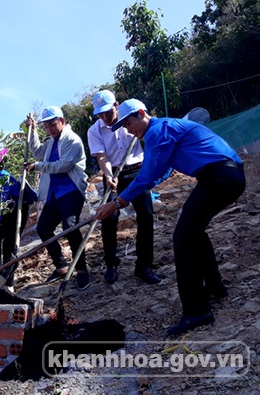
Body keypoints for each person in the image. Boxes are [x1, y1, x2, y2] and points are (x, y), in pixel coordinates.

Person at [95, 99, 246, 335]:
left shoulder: (157, 130)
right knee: (194, 232)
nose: (128, 129)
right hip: (226, 175)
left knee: (183, 238)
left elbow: (146, 176)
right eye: (123, 125)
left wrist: (116, 203)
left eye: (129, 122)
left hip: (219, 176)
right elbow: (162, 171)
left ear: (142, 113)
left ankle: (197, 311)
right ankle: (215, 288)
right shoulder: (163, 129)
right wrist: (123, 198)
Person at [87, 90, 161, 285]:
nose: (105, 117)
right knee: (109, 217)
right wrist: (109, 176)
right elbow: (101, 156)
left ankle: (144, 265)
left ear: (117, 106)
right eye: (100, 114)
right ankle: (111, 264)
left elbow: (148, 135)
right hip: (113, 176)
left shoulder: (131, 120)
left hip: (137, 171)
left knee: (145, 214)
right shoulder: (94, 131)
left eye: (108, 112)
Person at [24, 106, 91, 290]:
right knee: (44, 228)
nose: (50, 129)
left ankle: (82, 270)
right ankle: (61, 266)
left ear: (62, 121)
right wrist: (31, 132)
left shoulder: (72, 140)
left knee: (71, 227)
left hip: (71, 191)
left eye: (53, 125)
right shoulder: (52, 142)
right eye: (46, 127)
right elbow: (38, 152)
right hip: (54, 193)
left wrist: (37, 166)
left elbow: (62, 165)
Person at [0, 166, 38, 291]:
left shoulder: (3, 176)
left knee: (9, 245)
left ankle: (8, 283)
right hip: (5, 209)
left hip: (16, 209)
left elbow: (2, 200)